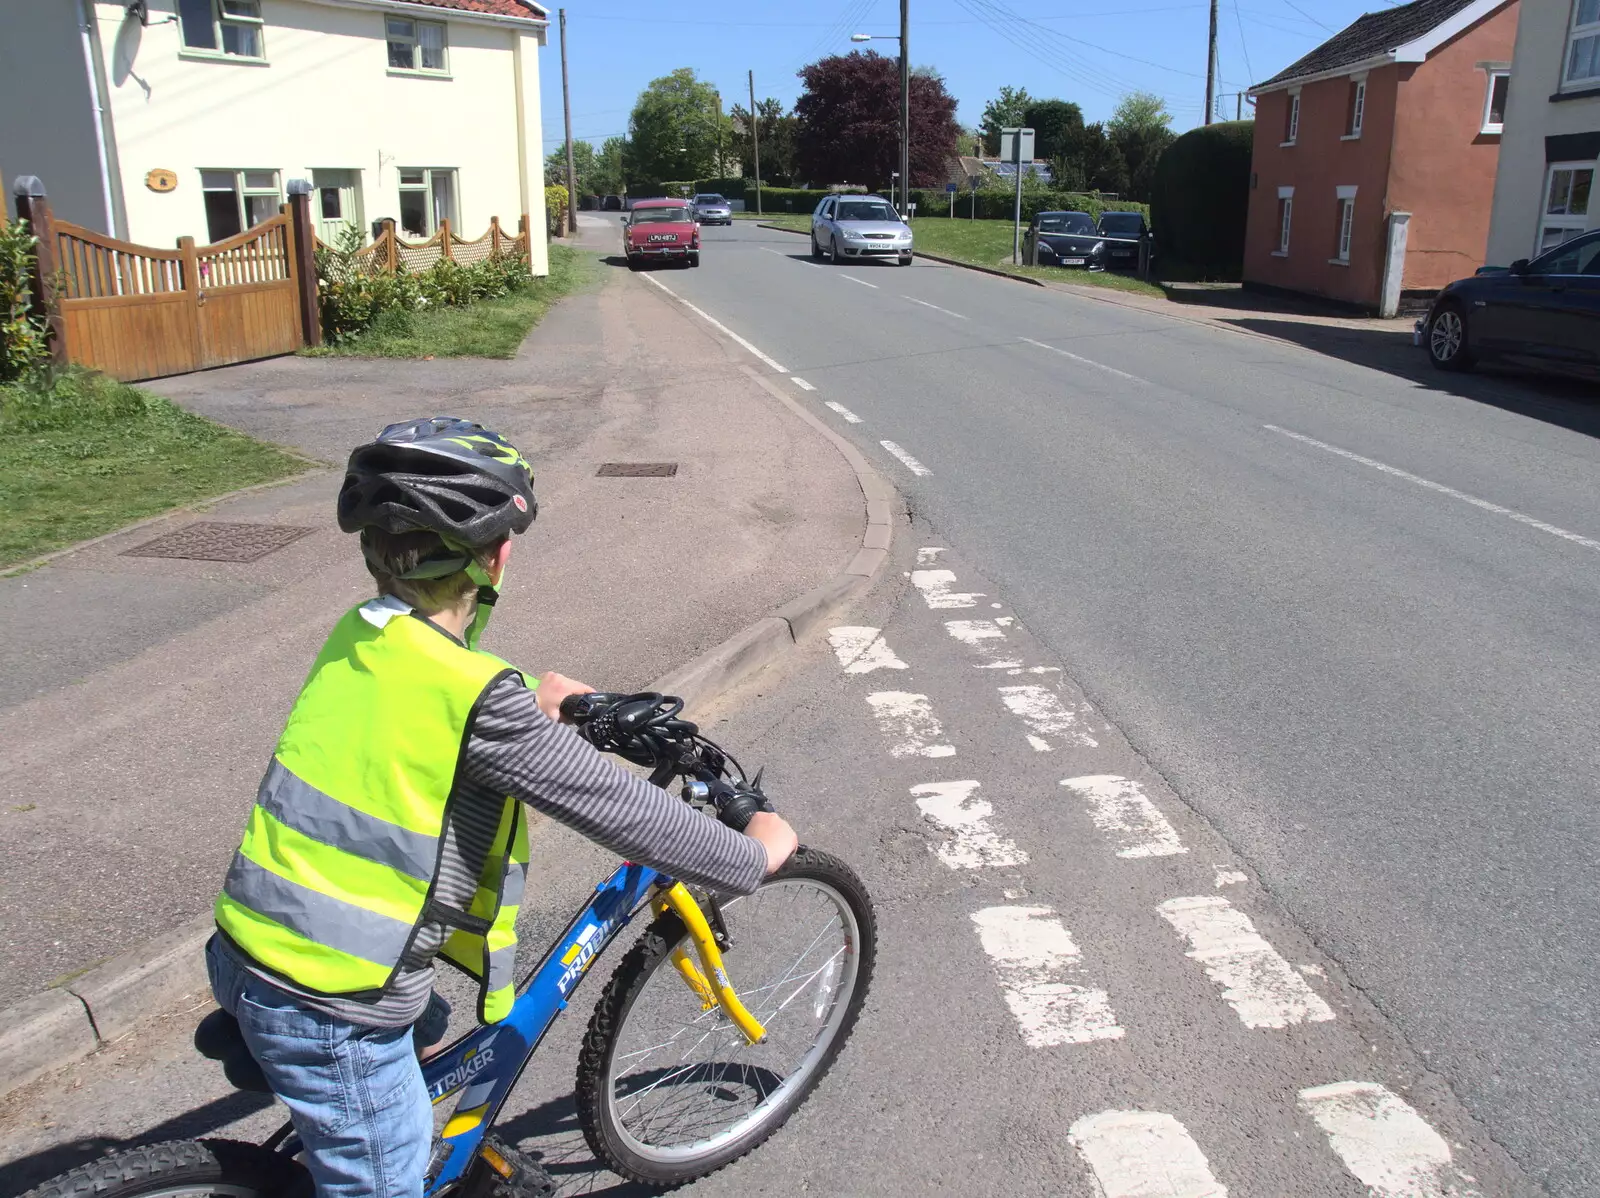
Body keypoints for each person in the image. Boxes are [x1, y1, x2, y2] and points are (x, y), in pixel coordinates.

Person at [205, 416, 798, 1198]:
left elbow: (432, 693)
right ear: (496, 557)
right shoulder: (482, 705)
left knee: (428, 1040)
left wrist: (531, 696)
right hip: (339, 1004)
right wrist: (755, 852)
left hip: (248, 947)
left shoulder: (366, 634)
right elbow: (623, 810)